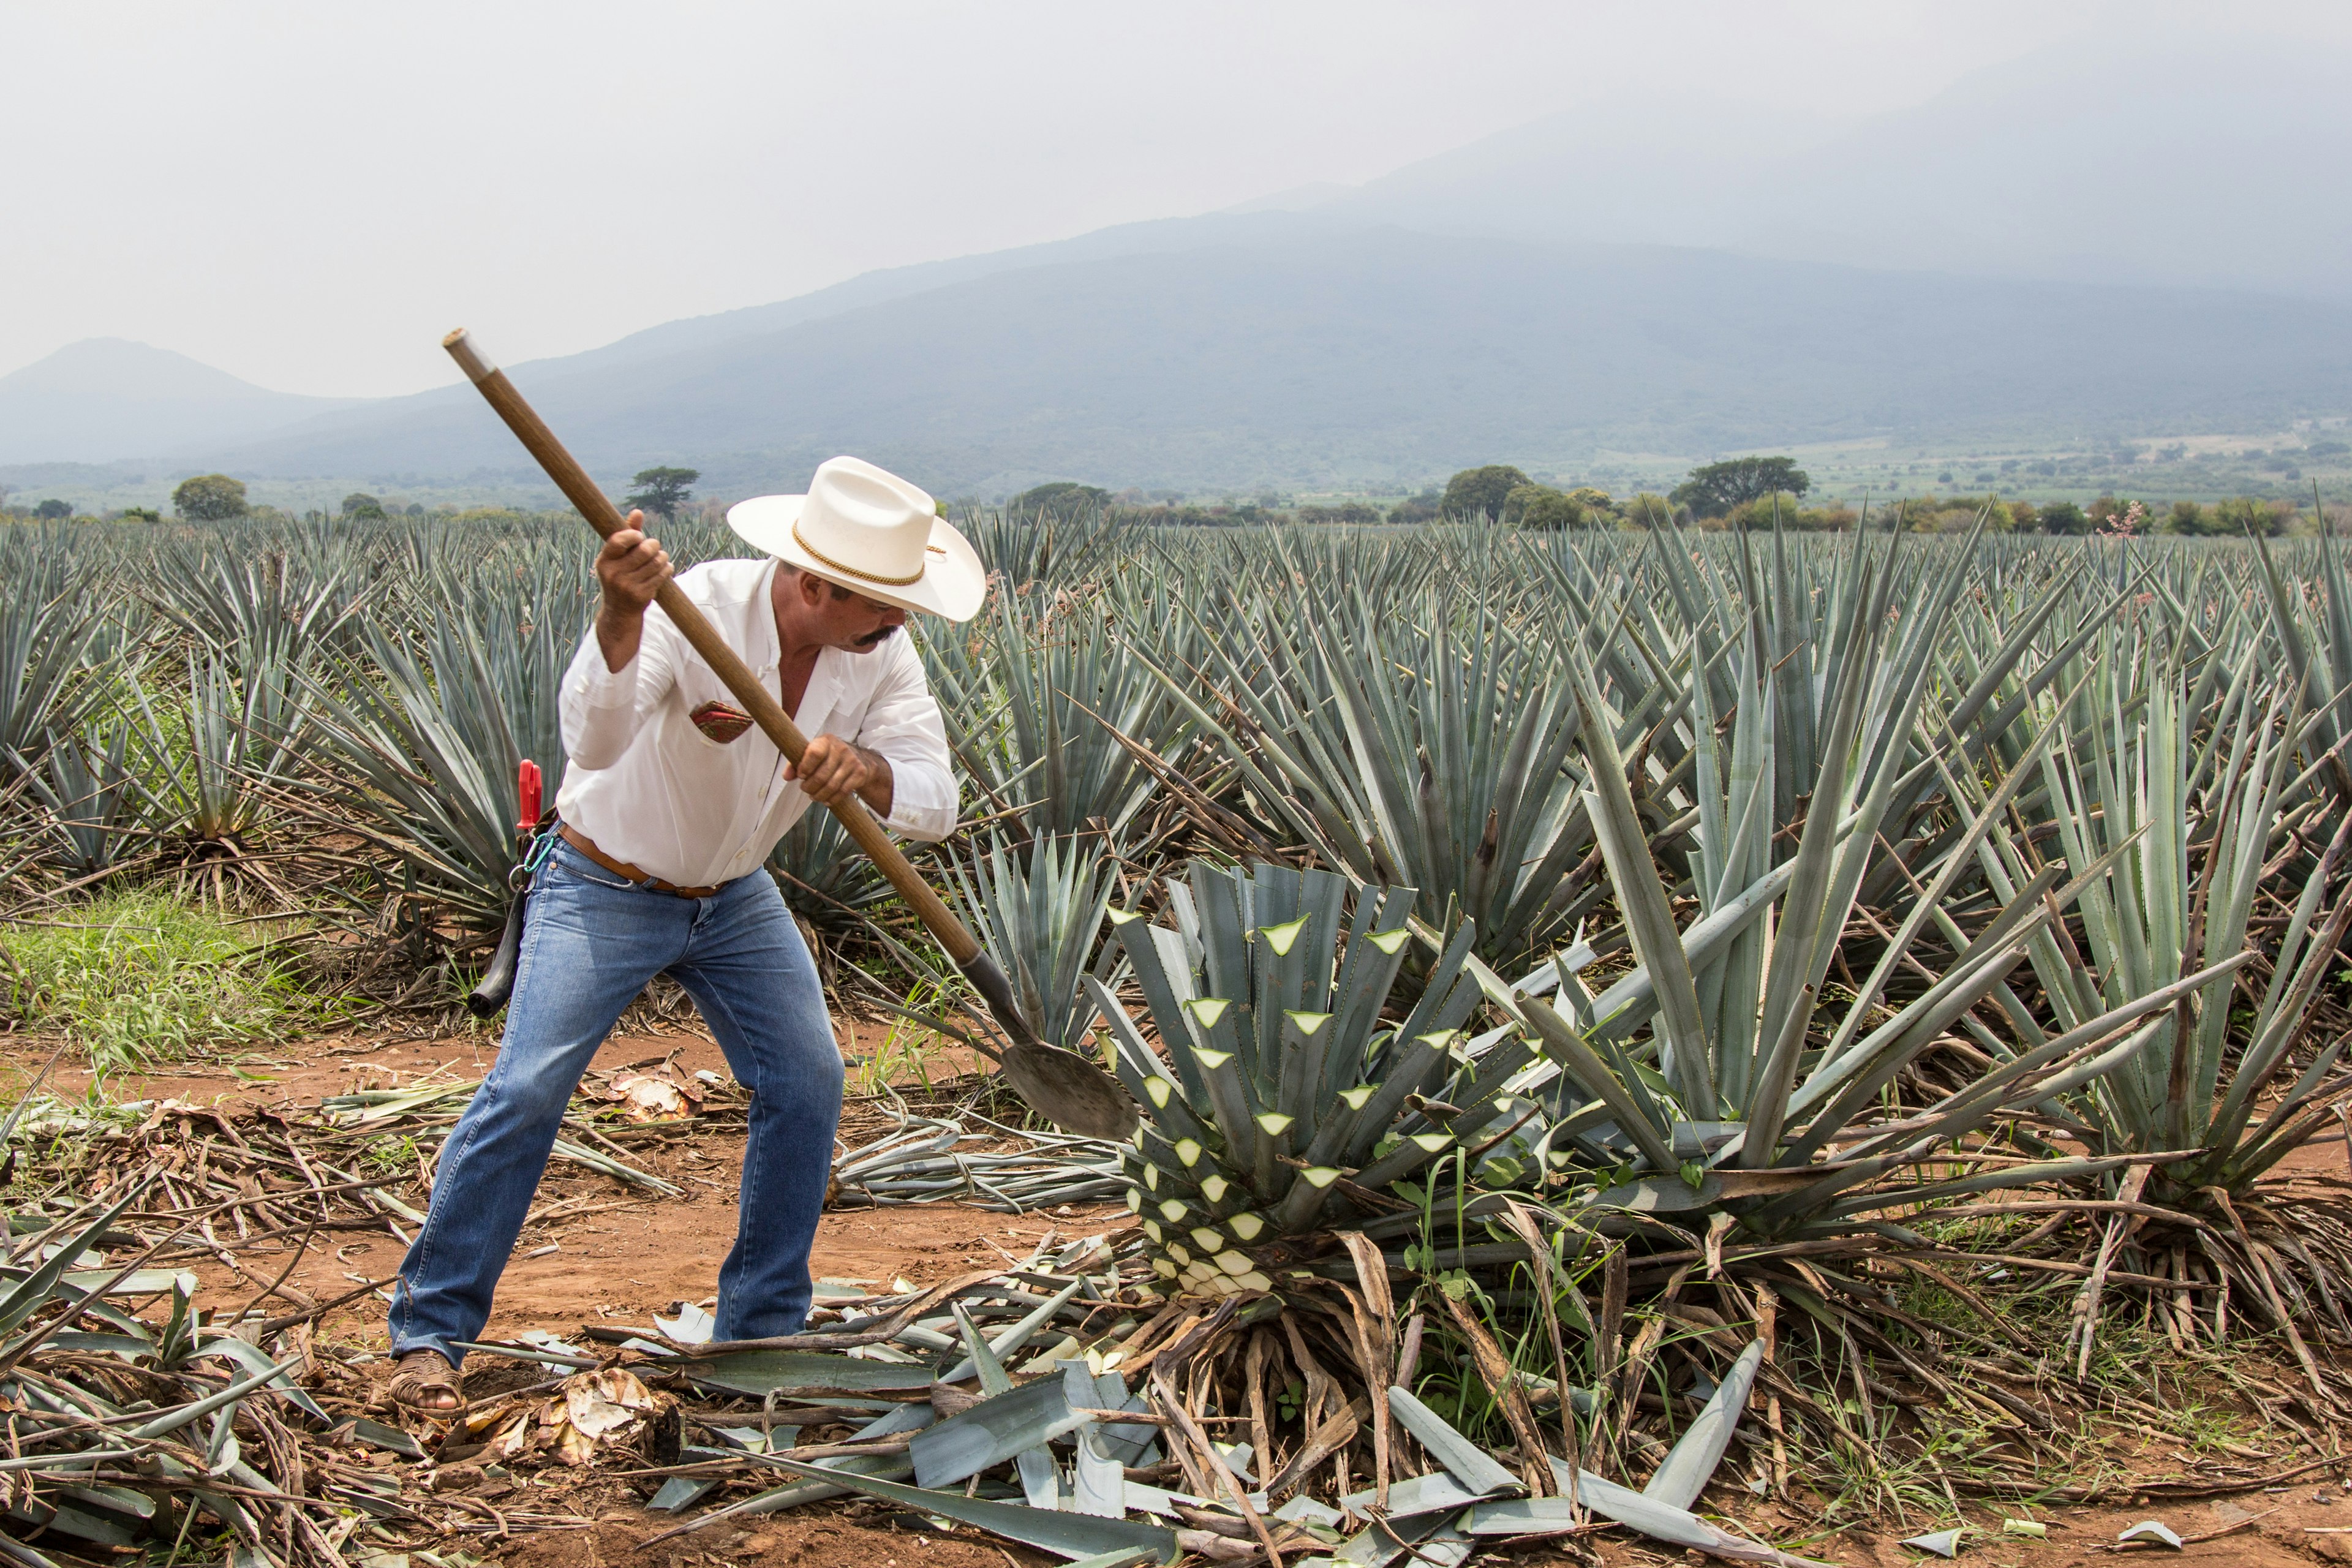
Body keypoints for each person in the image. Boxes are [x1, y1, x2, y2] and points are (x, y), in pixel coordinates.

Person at [386, 456, 985, 1412]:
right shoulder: (690, 606)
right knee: (531, 1085)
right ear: (814, 583)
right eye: (881, 602)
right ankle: (430, 1334)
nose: (900, 620)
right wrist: (621, 618)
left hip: (735, 895)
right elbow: (594, 740)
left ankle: (760, 1330)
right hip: (603, 881)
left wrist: (863, 770)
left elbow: (935, 798)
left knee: (808, 1078)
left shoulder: (881, 655)